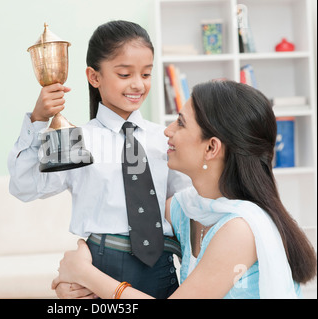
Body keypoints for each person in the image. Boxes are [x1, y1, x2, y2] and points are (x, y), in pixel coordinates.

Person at [52, 80, 317, 299]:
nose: (167, 131)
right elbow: (119, 222)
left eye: (180, 122)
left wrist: (85, 274)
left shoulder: (240, 228)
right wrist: (81, 268)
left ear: (211, 148)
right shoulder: (185, 209)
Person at [8, 20, 191, 299]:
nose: (137, 85)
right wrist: (37, 121)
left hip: (162, 268)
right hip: (98, 270)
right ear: (94, 77)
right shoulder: (75, 138)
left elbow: (184, 205)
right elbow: (25, 187)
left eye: (145, 74)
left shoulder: (165, 138)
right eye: (124, 74)